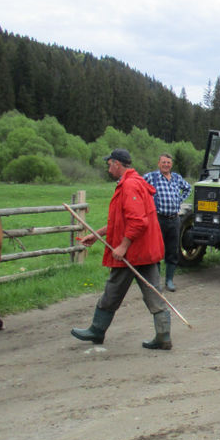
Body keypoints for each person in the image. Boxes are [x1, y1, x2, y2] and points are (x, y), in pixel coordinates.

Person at [71, 148, 173, 350]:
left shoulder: (129, 186)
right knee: (153, 292)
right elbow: (121, 220)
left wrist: (123, 246)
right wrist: (97, 234)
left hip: (134, 252)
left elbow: (137, 222)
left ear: (117, 163)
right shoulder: (133, 183)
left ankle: (97, 330)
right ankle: (163, 336)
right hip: (145, 251)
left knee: (112, 290)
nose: (109, 169)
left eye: (109, 165)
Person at [143, 153, 192, 292]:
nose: (166, 165)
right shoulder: (151, 177)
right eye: (163, 162)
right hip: (158, 219)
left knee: (173, 250)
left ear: (171, 165)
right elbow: (137, 184)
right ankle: (155, 282)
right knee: (157, 250)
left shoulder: (176, 178)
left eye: (168, 163)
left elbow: (188, 188)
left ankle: (169, 280)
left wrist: (179, 200)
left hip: (175, 219)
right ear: (159, 164)